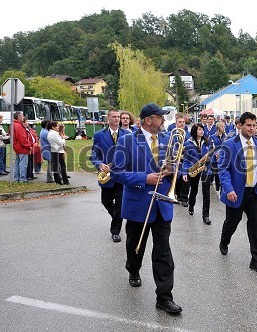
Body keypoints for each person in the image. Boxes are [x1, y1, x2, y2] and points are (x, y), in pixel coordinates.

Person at [112, 103, 182, 315]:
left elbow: (179, 164)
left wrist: (173, 169)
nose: (163, 121)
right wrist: (145, 178)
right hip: (138, 204)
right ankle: (133, 269)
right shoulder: (126, 140)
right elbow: (116, 173)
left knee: (163, 250)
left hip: (162, 204)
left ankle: (164, 296)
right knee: (136, 245)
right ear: (148, 120)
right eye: (160, 117)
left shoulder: (166, 139)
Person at [218, 111, 257, 274]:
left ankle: (256, 260)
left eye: (254, 125)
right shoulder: (229, 144)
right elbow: (223, 169)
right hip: (236, 192)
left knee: (256, 226)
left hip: (255, 192)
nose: (252, 128)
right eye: (249, 125)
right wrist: (229, 189)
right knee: (232, 222)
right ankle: (224, 241)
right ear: (240, 125)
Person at [90, 109, 128, 242]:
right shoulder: (99, 135)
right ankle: (117, 217)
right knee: (106, 202)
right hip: (106, 175)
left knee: (119, 204)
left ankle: (115, 231)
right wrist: (99, 164)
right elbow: (94, 154)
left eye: (119, 117)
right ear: (108, 119)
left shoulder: (127, 134)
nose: (117, 119)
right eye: (114, 117)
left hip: (121, 176)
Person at [182, 123, 213, 224]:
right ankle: (191, 204)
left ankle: (206, 215)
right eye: (199, 129)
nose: (201, 131)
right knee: (194, 190)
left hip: (205, 168)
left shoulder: (208, 142)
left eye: (202, 129)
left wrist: (210, 158)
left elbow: (211, 154)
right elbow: (186, 160)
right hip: (193, 169)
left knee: (206, 192)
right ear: (194, 131)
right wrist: (184, 173)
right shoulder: (188, 143)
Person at [173, 114, 190, 207]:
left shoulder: (188, 135)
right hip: (175, 160)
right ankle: (178, 196)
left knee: (185, 180)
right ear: (176, 123)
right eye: (180, 122)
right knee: (177, 179)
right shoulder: (172, 133)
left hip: (185, 160)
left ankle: (184, 199)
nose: (182, 123)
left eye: (183, 122)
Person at [47, 121, 69, 185]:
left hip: (54, 150)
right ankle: (65, 180)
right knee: (62, 166)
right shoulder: (55, 134)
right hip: (59, 151)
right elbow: (60, 142)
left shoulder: (50, 133)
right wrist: (64, 139)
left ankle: (57, 180)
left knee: (55, 166)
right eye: (57, 126)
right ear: (52, 127)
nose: (58, 127)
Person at [12, 111, 32, 183]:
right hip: (22, 147)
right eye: (22, 116)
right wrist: (29, 145)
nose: (23, 117)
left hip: (16, 146)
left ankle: (16, 178)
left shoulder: (13, 124)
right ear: (19, 117)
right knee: (23, 163)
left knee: (17, 162)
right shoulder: (18, 126)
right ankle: (22, 179)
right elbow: (22, 138)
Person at [211, 121, 227, 191]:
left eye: (224, 126)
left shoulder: (225, 136)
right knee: (216, 173)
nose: (223, 128)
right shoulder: (212, 137)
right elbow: (211, 147)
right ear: (218, 127)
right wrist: (216, 154)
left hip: (223, 157)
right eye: (222, 126)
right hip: (215, 158)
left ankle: (221, 186)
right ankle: (217, 186)